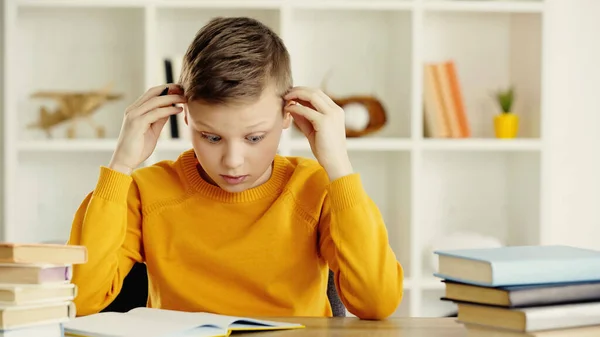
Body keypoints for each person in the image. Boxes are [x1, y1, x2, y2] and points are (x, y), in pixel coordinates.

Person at [67, 16, 404, 320]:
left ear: (290, 114)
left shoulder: (315, 188)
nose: (232, 160)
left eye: (254, 137)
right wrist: (121, 165)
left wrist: (339, 167)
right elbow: (79, 300)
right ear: (184, 115)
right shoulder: (145, 191)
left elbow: (377, 302)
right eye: (211, 137)